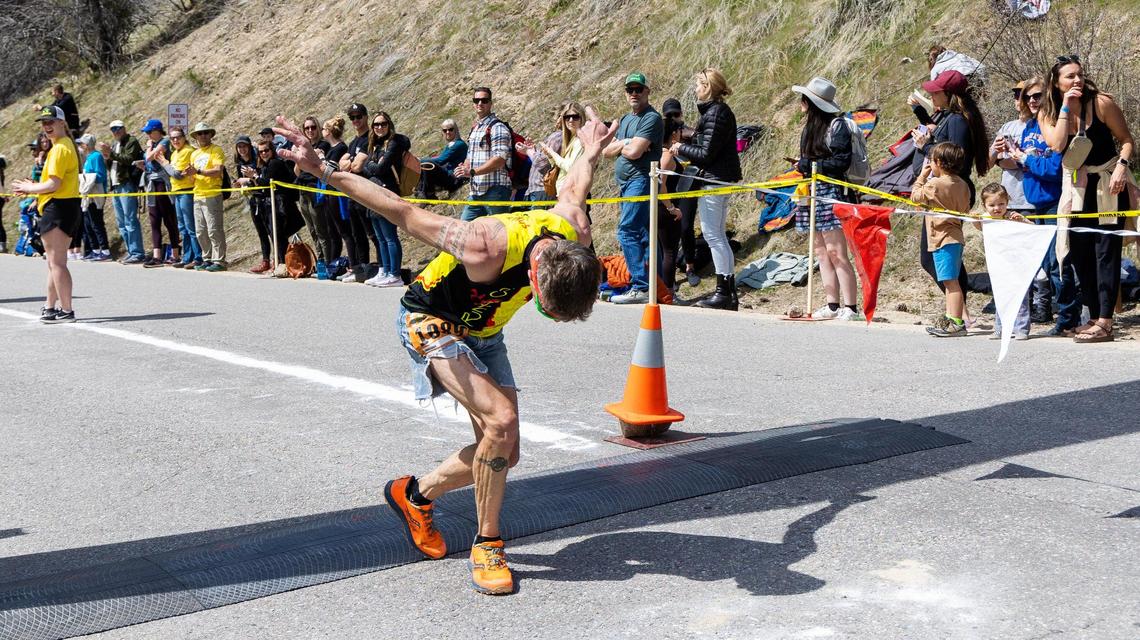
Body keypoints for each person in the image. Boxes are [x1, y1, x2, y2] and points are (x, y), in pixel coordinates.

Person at [275, 104, 613, 596]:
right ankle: (487, 544)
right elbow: (401, 210)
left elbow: (575, 181)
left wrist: (592, 148)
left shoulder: (574, 228)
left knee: (506, 450)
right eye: (543, 307)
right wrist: (323, 169)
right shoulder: (482, 244)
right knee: (501, 422)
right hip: (430, 318)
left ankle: (413, 495)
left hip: (483, 327)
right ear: (534, 276)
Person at [1038, 55, 1137, 343]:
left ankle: (1106, 321)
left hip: (1109, 183)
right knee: (1080, 252)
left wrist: (1121, 166)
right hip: (1078, 187)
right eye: (1070, 76)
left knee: (1106, 251)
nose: (1077, 80)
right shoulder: (1049, 111)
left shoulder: (1101, 103)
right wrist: (1067, 106)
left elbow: (1127, 140)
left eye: (1080, 74)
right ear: (1057, 83)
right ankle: (1094, 316)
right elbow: (1057, 145)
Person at [908, 69, 988, 324]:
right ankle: (960, 313)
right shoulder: (949, 117)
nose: (931, 94)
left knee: (934, 256)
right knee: (940, 255)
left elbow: (956, 158)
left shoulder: (956, 120)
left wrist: (925, 146)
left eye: (936, 91)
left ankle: (959, 313)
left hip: (946, 193)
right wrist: (921, 118)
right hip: (942, 191)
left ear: (949, 94)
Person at [791, 76, 861, 320]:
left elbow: (841, 161)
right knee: (820, 252)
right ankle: (832, 304)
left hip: (831, 193)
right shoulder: (809, 128)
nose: (800, 103)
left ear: (811, 102)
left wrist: (811, 165)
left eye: (804, 99)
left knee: (836, 251)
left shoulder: (837, 126)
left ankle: (850, 307)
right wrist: (804, 165)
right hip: (811, 192)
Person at [674, 68, 743, 311]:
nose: (695, 89)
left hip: (715, 179)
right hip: (719, 178)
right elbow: (708, 146)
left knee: (713, 235)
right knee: (718, 236)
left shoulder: (716, 113)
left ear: (707, 87)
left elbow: (706, 154)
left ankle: (724, 291)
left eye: (698, 85)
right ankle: (728, 291)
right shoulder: (716, 112)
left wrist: (679, 148)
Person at [12, 107, 82, 323]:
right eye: (43, 123)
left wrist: (30, 188)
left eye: (51, 121)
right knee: (53, 261)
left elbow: (54, 184)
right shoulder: (62, 146)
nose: (47, 126)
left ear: (62, 123)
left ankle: (67, 310)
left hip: (58, 207)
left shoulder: (60, 148)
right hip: (64, 206)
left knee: (57, 263)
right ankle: (50, 306)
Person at [603, 72, 663, 304]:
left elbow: (635, 153)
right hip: (626, 183)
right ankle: (655, 286)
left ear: (647, 91)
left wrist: (624, 145)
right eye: (630, 90)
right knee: (646, 233)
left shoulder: (652, 118)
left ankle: (641, 285)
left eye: (639, 89)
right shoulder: (626, 119)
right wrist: (626, 143)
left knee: (627, 231)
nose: (634, 94)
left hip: (641, 180)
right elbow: (607, 151)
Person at [912, 142, 972, 337]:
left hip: (942, 237)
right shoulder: (963, 184)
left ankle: (956, 322)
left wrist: (922, 175)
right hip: (955, 235)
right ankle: (950, 319)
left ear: (938, 162)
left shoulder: (935, 184)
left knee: (950, 282)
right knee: (949, 281)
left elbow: (915, 196)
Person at [238, 139, 303, 271]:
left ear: (272, 150)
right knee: (276, 235)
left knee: (279, 235)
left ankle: (283, 264)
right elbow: (263, 184)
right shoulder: (265, 166)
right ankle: (280, 262)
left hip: (281, 205)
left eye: (266, 150)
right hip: (270, 204)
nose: (263, 154)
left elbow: (267, 183)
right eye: (261, 151)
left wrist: (254, 176)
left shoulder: (275, 163)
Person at [361, 111, 409, 287]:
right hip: (373, 192)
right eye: (376, 125)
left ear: (389, 125)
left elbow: (381, 169)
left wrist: (371, 165)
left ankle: (395, 274)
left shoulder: (394, 143)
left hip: (387, 191)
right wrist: (372, 165)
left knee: (389, 236)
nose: (379, 127)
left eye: (383, 124)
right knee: (380, 236)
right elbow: (366, 168)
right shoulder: (375, 145)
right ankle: (385, 270)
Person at [978, 183, 1031, 340]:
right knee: (1001, 297)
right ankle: (1000, 329)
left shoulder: (1012, 217)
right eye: (992, 205)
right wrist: (975, 219)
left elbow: (1033, 229)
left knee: (1020, 296)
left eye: (1001, 204)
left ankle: (1021, 329)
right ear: (984, 205)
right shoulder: (986, 219)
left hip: (1017, 263)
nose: (997, 208)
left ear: (1007, 201)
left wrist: (1022, 221)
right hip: (999, 264)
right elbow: (979, 227)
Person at [454, 87, 513, 221]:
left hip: (496, 190)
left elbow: (500, 159)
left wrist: (473, 172)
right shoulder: (475, 128)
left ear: (490, 103)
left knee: (500, 233)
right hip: (475, 191)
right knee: (465, 229)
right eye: (476, 100)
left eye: (484, 100)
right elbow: (470, 156)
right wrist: (464, 168)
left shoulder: (498, 127)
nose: (480, 103)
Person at [662, 97, 700, 288]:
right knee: (669, 234)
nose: (674, 118)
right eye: (670, 115)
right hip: (672, 189)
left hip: (689, 185)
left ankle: (690, 267)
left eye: (676, 114)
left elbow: (702, 152)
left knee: (686, 227)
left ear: (682, 114)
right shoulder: (664, 134)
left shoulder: (691, 132)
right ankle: (671, 280)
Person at [338, 102, 374, 282]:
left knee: (372, 232)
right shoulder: (353, 142)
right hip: (352, 193)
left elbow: (356, 166)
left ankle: (383, 267)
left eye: (359, 116)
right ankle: (361, 268)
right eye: (352, 117)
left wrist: (350, 162)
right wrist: (350, 162)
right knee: (356, 233)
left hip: (366, 191)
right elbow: (341, 165)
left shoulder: (370, 138)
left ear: (366, 117)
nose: (356, 120)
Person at [989, 82, 1035, 219]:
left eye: (1022, 95)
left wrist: (1002, 162)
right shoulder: (1007, 127)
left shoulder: (1040, 126)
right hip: (1007, 201)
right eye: (1016, 95)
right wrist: (995, 152)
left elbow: (1030, 161)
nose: (1018, 99)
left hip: (1030, 201)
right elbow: (988, 164)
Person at [186, 122, 228, 272]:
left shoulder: (216, 150)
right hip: (198, 194)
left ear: (210, 134)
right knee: (200, 231)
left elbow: (217, 170)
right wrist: (190, 174)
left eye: (205, 133)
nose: (202, 136)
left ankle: (220, 260)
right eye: (199, 134)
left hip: (212, 193)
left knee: (214, 229)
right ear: (196, 137)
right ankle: (207, 258)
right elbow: (192, 178)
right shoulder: (194, 154)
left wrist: (198, 171)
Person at [140, 119, 180, 267]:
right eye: (147, 132)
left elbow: (150, 157)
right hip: (152, 183)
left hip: (163, 184)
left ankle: (175, 253)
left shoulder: (164, 142)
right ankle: (157, 255)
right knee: (154, 219)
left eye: (150, 132)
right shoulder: (153, 144)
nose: (148, 135)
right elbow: (147, 161)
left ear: (158, 130)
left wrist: (149, 148)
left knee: (169, 218)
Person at [294, 116, 334, 266]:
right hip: (302, 189)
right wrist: (300, 157)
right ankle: (320, 260)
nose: (310, 131)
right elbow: (297, 171)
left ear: (318, 128)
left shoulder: (324, 145)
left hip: (316, 188)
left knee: (321, 229)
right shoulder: (304, 146)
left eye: (313, 127)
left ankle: (328, 262)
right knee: (312, 229)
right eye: (307, 128)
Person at [106, 119, 146, 263]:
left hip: (126, 183)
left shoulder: (131, 141)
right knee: (121, 222)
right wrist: (107, 157)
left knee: (130, 219)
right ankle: (131, 251)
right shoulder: (115, 144)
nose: (116, 131)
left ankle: (137, 252)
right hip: (116, 185)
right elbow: (111, 165)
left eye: (118, 128)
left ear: (124, 128)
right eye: (113, 129)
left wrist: (111, 154)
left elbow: (129, 159)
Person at [236, 134, 272, 273]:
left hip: (265, 198)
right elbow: (241, 181)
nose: (242, 149)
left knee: (270, 230)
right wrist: (240, 184)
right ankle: (265, 261)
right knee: (261, 232)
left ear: (250, 147)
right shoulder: (239, 163)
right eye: (239, 147)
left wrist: (250, 180)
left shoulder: (258, 160)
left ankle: (277, 260)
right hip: (252, 199)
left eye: (244, 146)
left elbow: (262, 178)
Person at [322, 116, 353, 275]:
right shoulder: (331, 148)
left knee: (344, 231)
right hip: (328, 193)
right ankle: (332, 265)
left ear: (328, 132)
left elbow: (329, 172)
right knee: (332, 231)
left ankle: (353, 266)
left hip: (337, 194)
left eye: (323, 129)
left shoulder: (340, 148)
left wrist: (320, 160)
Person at [540, 102, 586, 198]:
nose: (571, 120)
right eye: (567, 117)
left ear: (582, 119)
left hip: (572, 193)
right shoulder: (571, 140)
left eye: (575, 117)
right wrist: (550, 156)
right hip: (564, 193)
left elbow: (570, 168)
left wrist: (553, 153)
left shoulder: (579, 141)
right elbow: (561, 168)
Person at [76, 133, 111, 261]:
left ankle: (105, 251)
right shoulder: (88, 157)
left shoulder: (96, 156)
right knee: (88, 223)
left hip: (95, 194)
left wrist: (86, 178)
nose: (80, 146)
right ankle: (95, 250)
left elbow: (100, 175)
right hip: (88, 195)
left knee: (96, 223)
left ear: (86, 145)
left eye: (81, 144)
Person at [418, 119, 468, 199]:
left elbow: (440, 160)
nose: (447, 132)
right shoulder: (451, 144)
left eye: (450, 129)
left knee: (426, 164)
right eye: (445, 130)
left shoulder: (459, 144)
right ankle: (424, 193)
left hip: (454, 179)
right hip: (449, 175)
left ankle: (426, 195)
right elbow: (440, 158)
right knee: (425, 165)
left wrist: (418, 161)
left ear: (456, 130)